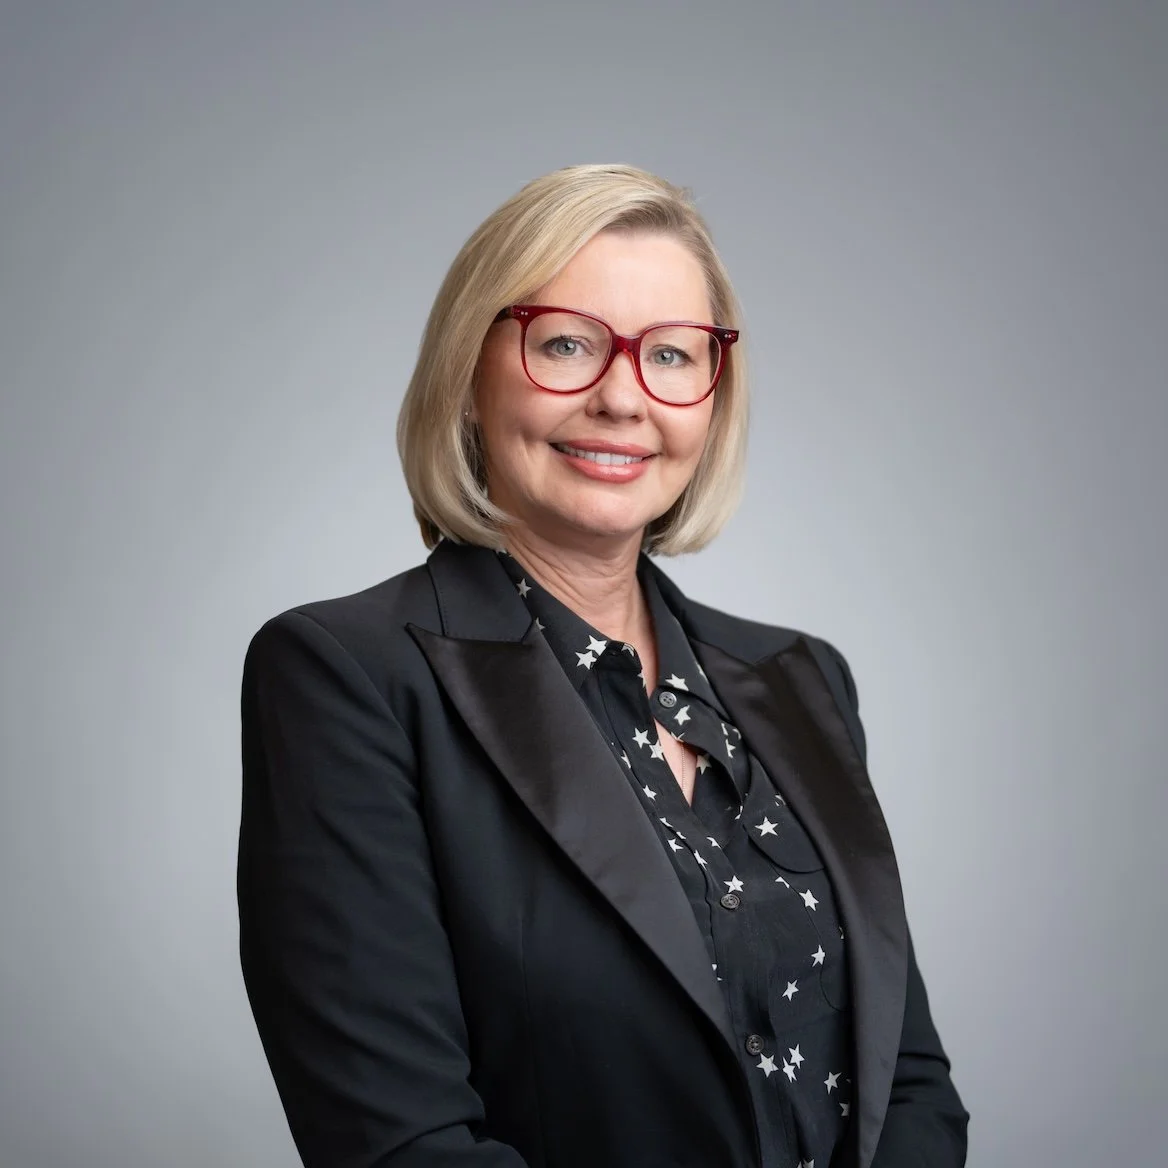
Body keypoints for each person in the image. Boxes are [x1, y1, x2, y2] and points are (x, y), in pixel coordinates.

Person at [237, 163, 969, 1168]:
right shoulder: (345, 679)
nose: (623, 397)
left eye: (670, 354)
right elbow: (402, 1144)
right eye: (567, 344)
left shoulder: (804, 680)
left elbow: (907, 1079)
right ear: (468, 373)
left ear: (712, 397)